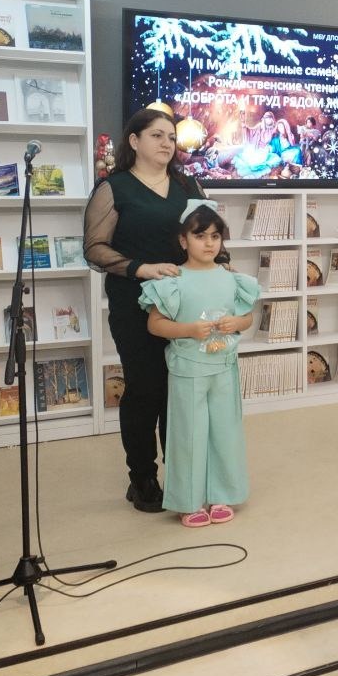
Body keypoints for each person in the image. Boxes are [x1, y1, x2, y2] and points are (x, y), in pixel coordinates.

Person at [84, 109, 204, 512]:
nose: (167, 143)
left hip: (185, 303)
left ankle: (182, 475)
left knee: (181, 390)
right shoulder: (113, 188)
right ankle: (142, 478)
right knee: (146, 388)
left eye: (171, 136)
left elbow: (208, 234)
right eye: (157, 135)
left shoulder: (188, 185)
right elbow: (95, 248)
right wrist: (141, 268)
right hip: (134, 303)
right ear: (134, 141)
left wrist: (221, 266)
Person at [140, 202, 259, 527]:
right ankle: (188, 500)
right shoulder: (173, 280)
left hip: (224, 367)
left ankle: (222, 493)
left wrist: (237, 323)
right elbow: (155, 324)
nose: (209, 243)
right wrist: (189, 330)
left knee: (225, 431)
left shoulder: (231, 278)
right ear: (183, 240)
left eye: (215, 236)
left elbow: (247, 317)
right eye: (200, 236)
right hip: (188, 370)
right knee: (188, 434)